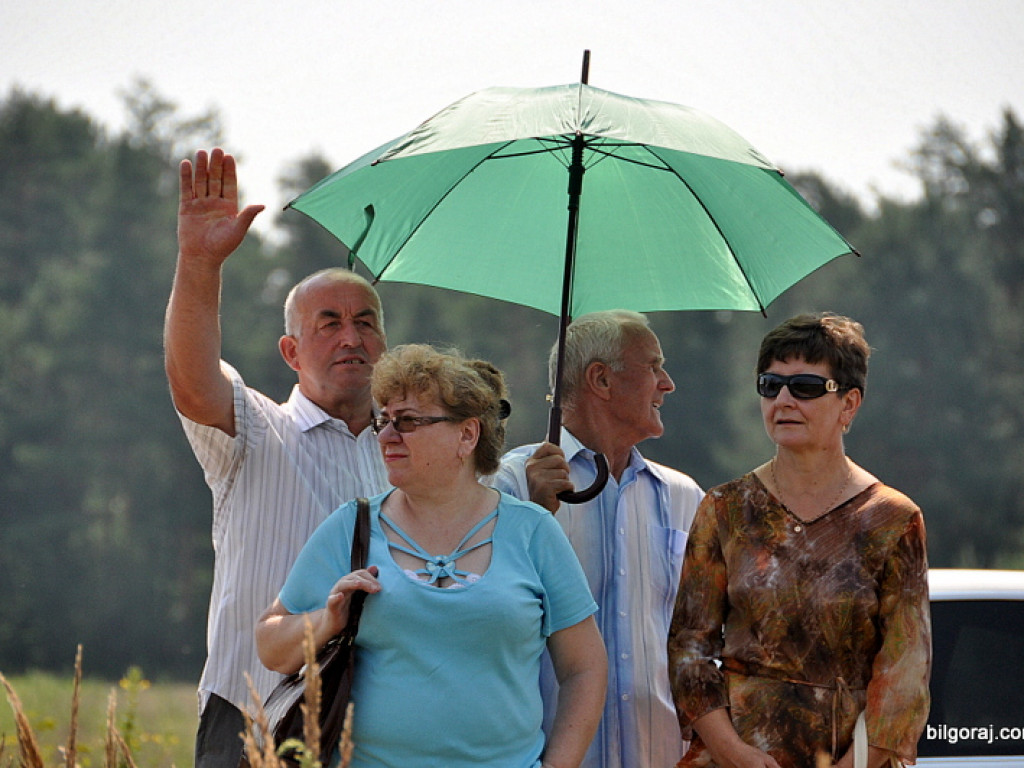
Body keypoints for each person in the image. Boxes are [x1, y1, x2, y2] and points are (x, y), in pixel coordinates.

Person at [256, 344, 607, 768]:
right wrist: (326, 620)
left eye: (407, 422)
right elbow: (271, 645)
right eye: (383, 420)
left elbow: (584, 668)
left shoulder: (534, 531)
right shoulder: (352, 526)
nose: (386, 435)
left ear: (466, 435)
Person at [165, 148, 390, 768]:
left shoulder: (405, 456)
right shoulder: (257, 428)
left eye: (366, 322)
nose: (351, 336)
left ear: (385, 344)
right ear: (291, 352)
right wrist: (200, 262)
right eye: (329, 323)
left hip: (373, 720)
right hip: (252, 713)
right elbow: (191, 379)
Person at [667, 313, 931, 768]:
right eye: (770, 384)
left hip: (852, 758)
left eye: (806, 386)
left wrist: (853, 764)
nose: (783, 399)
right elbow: (689, 647)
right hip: (733, 758)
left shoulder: (893, 519)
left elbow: (905, 670)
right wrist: (732, 752)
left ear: (849, 404)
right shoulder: (724, 508)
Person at [490, 310, 704, 768]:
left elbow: (701, 640)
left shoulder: (685, 497)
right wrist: (531, 517)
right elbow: (478, 619)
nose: (667, 383)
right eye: (653, 366)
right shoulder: (508, 485)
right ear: (601, 380)